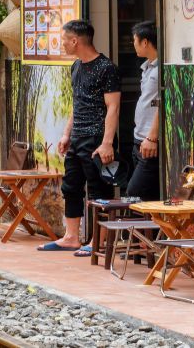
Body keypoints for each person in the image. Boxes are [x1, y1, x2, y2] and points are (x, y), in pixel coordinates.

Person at [39, 19, 120, 252]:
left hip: (96, 138)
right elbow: (76, 103)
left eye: (64, 40)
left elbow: (113, 107)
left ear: (75, 41)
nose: (62, 44)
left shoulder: (107, 68)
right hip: (77, 138)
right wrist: (66, 134)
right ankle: (71, 236)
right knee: (71, 187)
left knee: (98, 190)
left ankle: (98, 241)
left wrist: (107, 143)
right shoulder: (75, 66)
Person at [126, 21, 160, 200]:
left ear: (145, 42)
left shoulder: (161, 69)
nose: (133, 45)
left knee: (135, 193)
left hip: (149, 141)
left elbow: (162, 104)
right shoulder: (147, 67)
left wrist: (152, 137)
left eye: (135, 41)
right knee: (148, 196)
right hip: (139, 139)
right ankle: (153, 229)